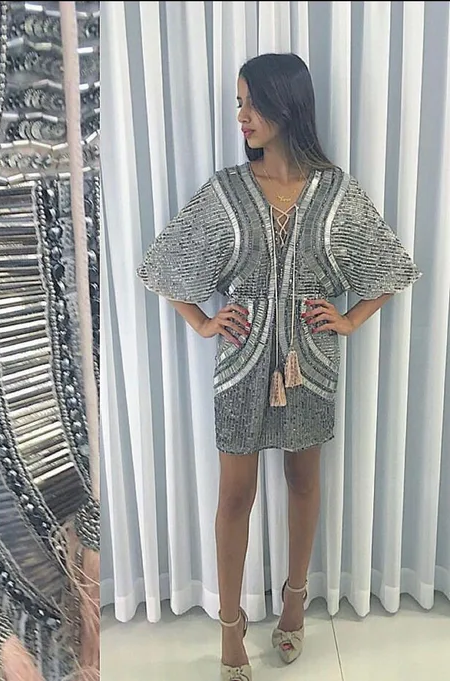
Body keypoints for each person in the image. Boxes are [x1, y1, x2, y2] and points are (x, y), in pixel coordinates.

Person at [136, 53, 421, 681]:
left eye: (252, 103)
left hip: (310, 363)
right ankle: (230, 626)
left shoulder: (335, 191)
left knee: (303, 481)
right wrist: (202, 321)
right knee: (234, 493)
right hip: (241, 364)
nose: (241, 116)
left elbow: (390, 267)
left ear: (287, 104)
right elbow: (164, 264)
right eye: (238, 103)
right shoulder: (225, 190)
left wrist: (350, 318)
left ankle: (294, 604)